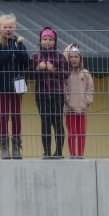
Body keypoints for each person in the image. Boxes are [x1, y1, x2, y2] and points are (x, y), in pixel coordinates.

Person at [0, 14, 29, 160]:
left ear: (14, 28)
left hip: (18, 83)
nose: (8, 30)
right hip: (1, 84)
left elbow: (26, 62)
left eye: (10, 27)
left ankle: (16, 147)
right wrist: (8, 55)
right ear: (0, 28)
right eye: (5, 27)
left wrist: (18, 53)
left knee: (16, 115)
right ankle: (4, 147)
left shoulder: (19, 43)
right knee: (4, 115)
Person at [30, 27, 69, 159]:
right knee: (45, 123)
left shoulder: (59, 56)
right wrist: (36, 68)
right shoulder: (35, 57)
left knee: (58, 123)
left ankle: (58, 152)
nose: (47, 42)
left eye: (50, 39)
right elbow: (27, 74)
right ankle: (46, 151)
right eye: (45, 39)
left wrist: (54, 70)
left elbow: (67, 73)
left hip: (57, 95)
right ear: (40, 41)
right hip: (42, 96)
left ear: (55, 41)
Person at [63, 43, 94, 160]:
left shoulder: (85, 73)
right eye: (71, 57)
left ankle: (80, 155)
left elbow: (90, 88)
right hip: (69, 109)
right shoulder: (65, 74)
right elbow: (64, 88)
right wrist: (67, 100)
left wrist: (87, 100)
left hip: (82, 109)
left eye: (76, 56)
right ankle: (72, 155)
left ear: (80, 58)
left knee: (81, 132)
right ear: (67, 58)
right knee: (71, 132)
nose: (74, 59)